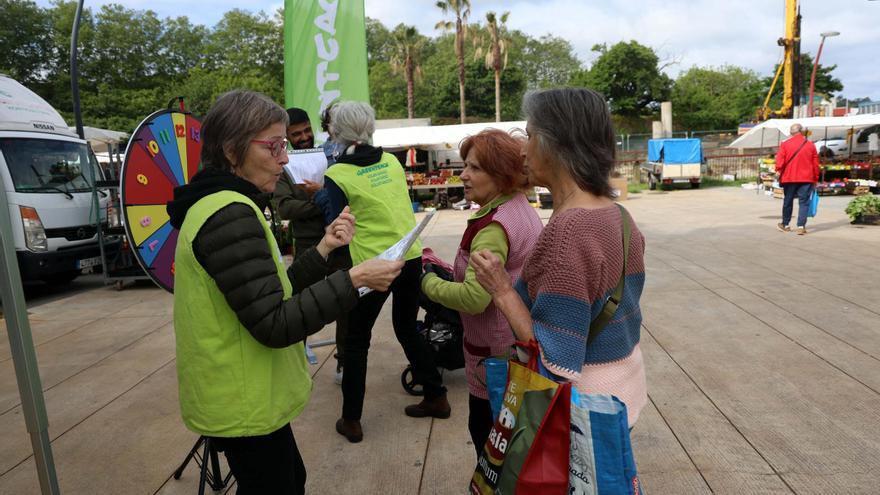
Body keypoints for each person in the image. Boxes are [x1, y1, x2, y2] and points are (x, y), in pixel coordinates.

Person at [166, 90, 403, 494]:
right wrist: (353, 280)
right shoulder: (229, 214)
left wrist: (325, 247)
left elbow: (271, 290)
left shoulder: (226, 204)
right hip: (242, 399)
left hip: (245, 396)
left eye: (284, 145)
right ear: (231, 150)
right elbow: (274, 322)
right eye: (274, 146)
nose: (285, 158)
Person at [470, 88, 648, 431]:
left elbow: (553, 360)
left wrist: (501, 289)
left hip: (582, 411)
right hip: (625, 391)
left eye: (530, 134)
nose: (523, 147)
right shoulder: (620, 216)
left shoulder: (568, 230)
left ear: (557, 145)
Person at [319, 100, 449, 443]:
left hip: (372, 266)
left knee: (357, 340)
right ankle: (436, 394)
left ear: (335, 132)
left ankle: (351, 420)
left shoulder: (336, 174)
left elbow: (338, 225)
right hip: (409, 256)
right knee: (406, 327)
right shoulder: (391, 160)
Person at [420, 128, 543, 454]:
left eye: (475, 168)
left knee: (490, 444)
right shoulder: (518, 207)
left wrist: (429, 283)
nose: (463, 175)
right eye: (466, 166)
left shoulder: (492, 227)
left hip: (495, 356)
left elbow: (476, 298)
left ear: (501, 175)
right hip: (515, 347)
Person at [274, 107, 325, 257]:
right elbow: (284, 208)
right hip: (308, 244)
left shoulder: (326, 156)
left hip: (341, 239)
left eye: (307, 130)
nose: (304, 137)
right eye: (296, 134)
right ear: (286, 136)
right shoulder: (283, 166)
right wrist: (325, 201)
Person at [775, 123, 820, 235]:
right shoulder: (810, 145)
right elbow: (815, 164)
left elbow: (780, 162)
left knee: (788, 201)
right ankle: (801, 226)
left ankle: (785, 224)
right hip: (806, 178)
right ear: (802, 131)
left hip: (789, 177)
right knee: (804, 202)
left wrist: (778, 170)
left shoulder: (785, 144)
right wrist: (815, 178)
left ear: (791, 132)